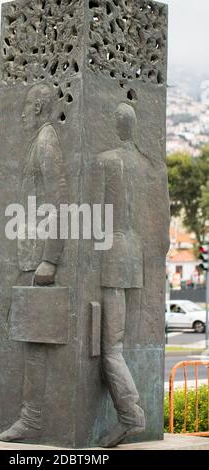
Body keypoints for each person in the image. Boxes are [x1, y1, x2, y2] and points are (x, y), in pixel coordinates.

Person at [0, 84, 68, 443]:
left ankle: (33, 418)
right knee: (27, 336)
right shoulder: (38, 141)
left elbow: (58, 200)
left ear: (40, 107)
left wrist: (50, 259)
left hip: (39, 261)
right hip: (28, 255)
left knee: (35, 339)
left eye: (28, 107)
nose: (23, 113)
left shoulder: (46, 141)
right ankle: (30, 416)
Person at [97, 103, 146, 447]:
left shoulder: (107, 161)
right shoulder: (144, 164)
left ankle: (130, 414)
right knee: (118, 343)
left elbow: (95, 214)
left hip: (111, 256)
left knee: (111, 348)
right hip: (134, 256)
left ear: (116, 125)